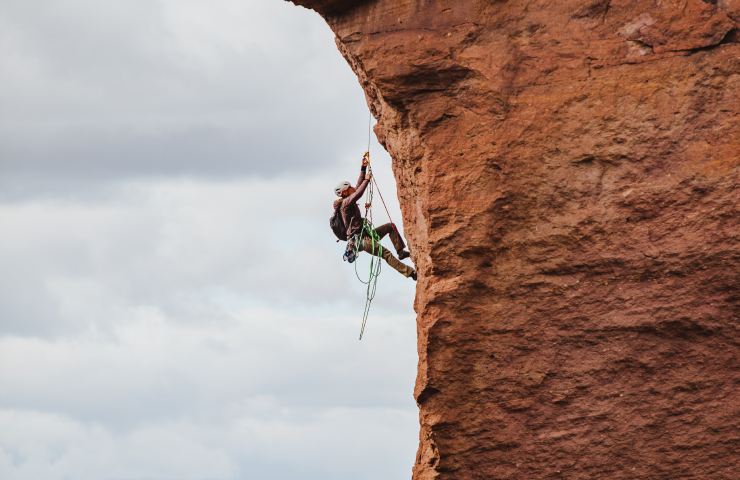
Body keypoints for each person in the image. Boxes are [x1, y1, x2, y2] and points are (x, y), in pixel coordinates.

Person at [333, 154, 417, 280]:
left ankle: (401, 252)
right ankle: (411, 273)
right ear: (344, 192)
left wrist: (363, 168)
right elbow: (359, 192)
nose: (353, 188)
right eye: (349, 188)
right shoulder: (345, 203)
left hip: (365, 234)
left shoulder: (347, 201)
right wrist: (367, 180)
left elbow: (357, 187)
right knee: (386, 254)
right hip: (361, 240)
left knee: (390, 227)